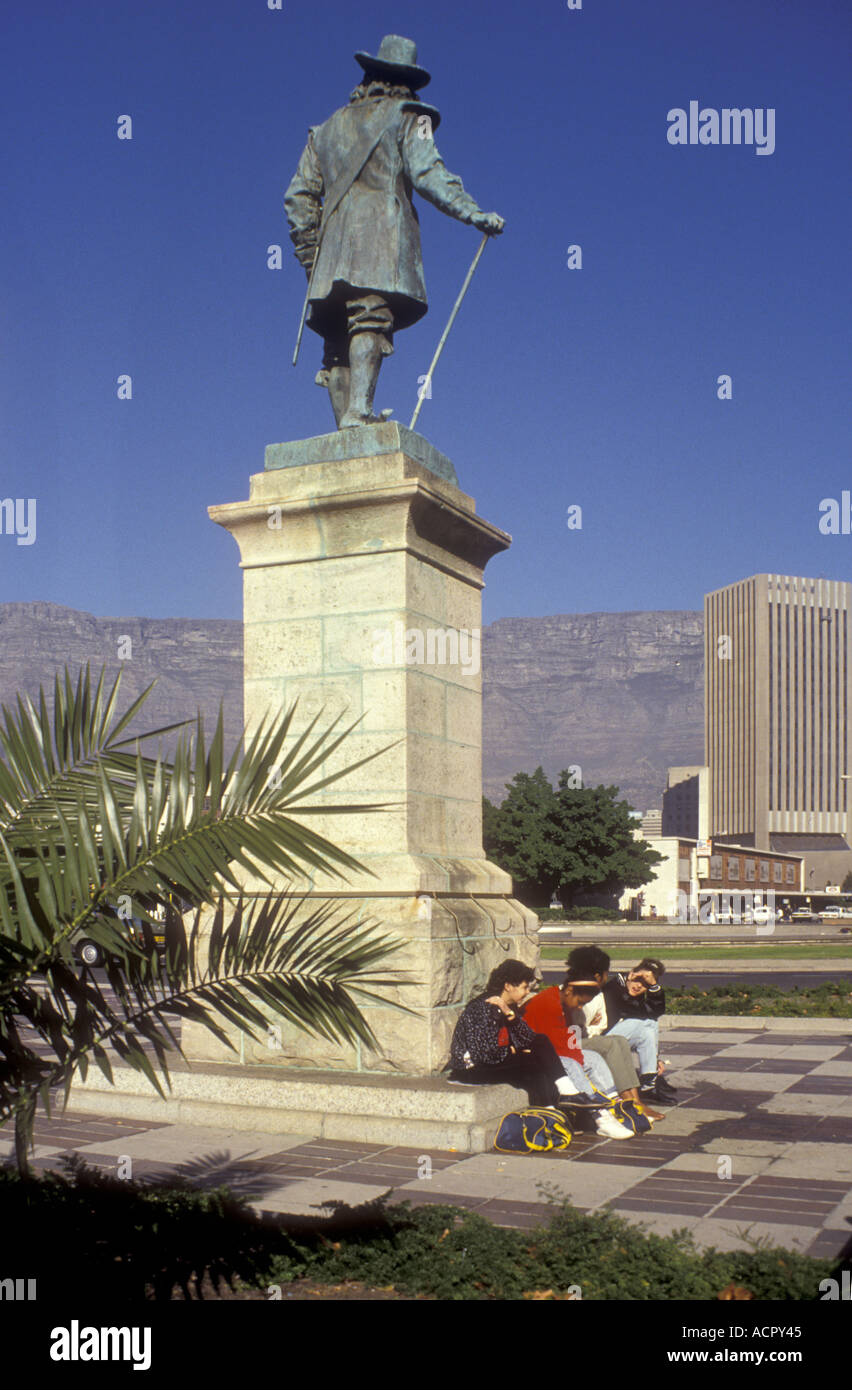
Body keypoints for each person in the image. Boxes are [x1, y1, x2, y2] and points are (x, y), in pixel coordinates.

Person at [285, 34, 504, 428]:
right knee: (369, 317)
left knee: (336, 338)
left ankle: (347, 427)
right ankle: (357, 413)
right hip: (379, 241)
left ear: (370, 76)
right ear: (408, 84)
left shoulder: (324, 131)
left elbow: (298, 200)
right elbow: (428, 172)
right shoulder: (413, 117)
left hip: (329, 254)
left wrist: (311, 257)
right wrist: (472, 213)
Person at [447, 959, 582, 1108]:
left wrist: (510, 1016)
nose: (528, 991)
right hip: (470, 1070)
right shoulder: (483, 1008)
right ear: (508, 986)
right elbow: (484, 1055)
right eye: (524, 987)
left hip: (493, 1061)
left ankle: (563, 1098)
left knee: (540, 1043)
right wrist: (512, 1050)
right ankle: (552, 1110)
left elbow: (528, 1038)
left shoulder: (508, 1007)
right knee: (532, 1066)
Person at [522, 973, 638, 1140]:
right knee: (572, 1064)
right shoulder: (546, 1004)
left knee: (593, 1058)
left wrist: (580, 1057)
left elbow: (571, 1042)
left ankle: (614, 1104)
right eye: (580, 1002)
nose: (580, 1007)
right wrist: (578, 1061)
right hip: (536, 1055)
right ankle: (599, 1115)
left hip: (557, 1051)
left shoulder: (566, 1004)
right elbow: (554, 1049)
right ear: (569, 990)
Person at [565, 946, 665, 1120]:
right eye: (637, 979)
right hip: (578, 1039)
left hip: (589, 1035)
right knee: (614, 1042)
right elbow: (578, 1027)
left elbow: (652, 1014)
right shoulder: (608, 989)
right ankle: (631, 1100)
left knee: (632, 1032)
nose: (639, 985)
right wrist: (627, 978)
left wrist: (653, 985)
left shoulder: (617, 993)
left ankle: (637, 1098)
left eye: (645, 984)